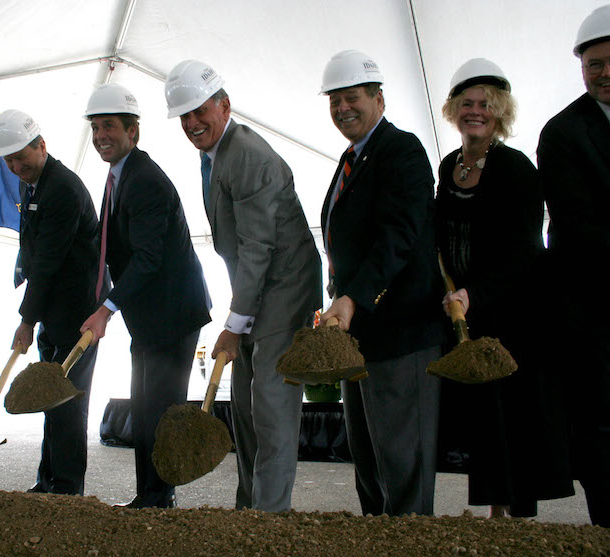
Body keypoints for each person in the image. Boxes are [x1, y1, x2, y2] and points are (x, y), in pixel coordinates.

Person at [164, 60, 323, 512]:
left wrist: (234, 324)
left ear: (224, 105)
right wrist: (240, 315)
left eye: (200, 111)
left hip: (285, 289)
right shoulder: (213, 154)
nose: (192, 123)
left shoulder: (248, 155)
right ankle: (248, 510)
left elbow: (257, 248)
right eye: (185, 116)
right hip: (256, 288)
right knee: (247, 410)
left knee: (271, 409)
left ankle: (268, 519)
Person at [436, 59, 574, 518]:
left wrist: (476, 293)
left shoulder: (515, 168)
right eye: (467, 104)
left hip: (516, 313)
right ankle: (496, 513)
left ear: (499, 114)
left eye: (485, 106)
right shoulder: (447, 167)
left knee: (515, 414)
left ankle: (514, 517)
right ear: (454, 110)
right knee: (486, 416)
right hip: (468, 312)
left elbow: (526, 254)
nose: (475, 112)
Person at [318, 50, 445, 516]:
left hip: (400, 333)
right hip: (358, 334)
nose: (342, 108)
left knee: (402, 460)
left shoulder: (402, 151)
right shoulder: (353, 157)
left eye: (352, 98)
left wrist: (352, 298)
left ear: (379, 100)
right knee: (370, 461)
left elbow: (400, 236)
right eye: (334, 100)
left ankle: (410, 543)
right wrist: (337, 299)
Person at [80, 84, 212, 508]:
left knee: (159, 411)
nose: (102, 135)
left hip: (171, 316)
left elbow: (149, 258)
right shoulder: (119, 176)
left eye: (110, 127)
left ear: (133, 131)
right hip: (151, 317)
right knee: (145, 407)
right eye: (96, 127)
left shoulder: (145, 180)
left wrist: (108, 307)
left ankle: (158, 499)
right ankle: (149, 496)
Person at [537, 4, 610, 528]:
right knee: (605, 421)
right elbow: (575, 225)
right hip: (597, 305)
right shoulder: (564, 133)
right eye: (595, 64)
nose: (607, 72)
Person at [0, 109, 100, 495]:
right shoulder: (32, 184)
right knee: (49, 399)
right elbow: (34, 254)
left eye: (22, 156)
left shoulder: (63, 189)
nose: (17, 166)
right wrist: (34, 316)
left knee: (66, 402)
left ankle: (67, 488)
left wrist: (25, 320)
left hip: (77, 315)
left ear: (42, 145)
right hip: (53, 312)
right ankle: (48, 480)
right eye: (9, 161)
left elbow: (49, 263)